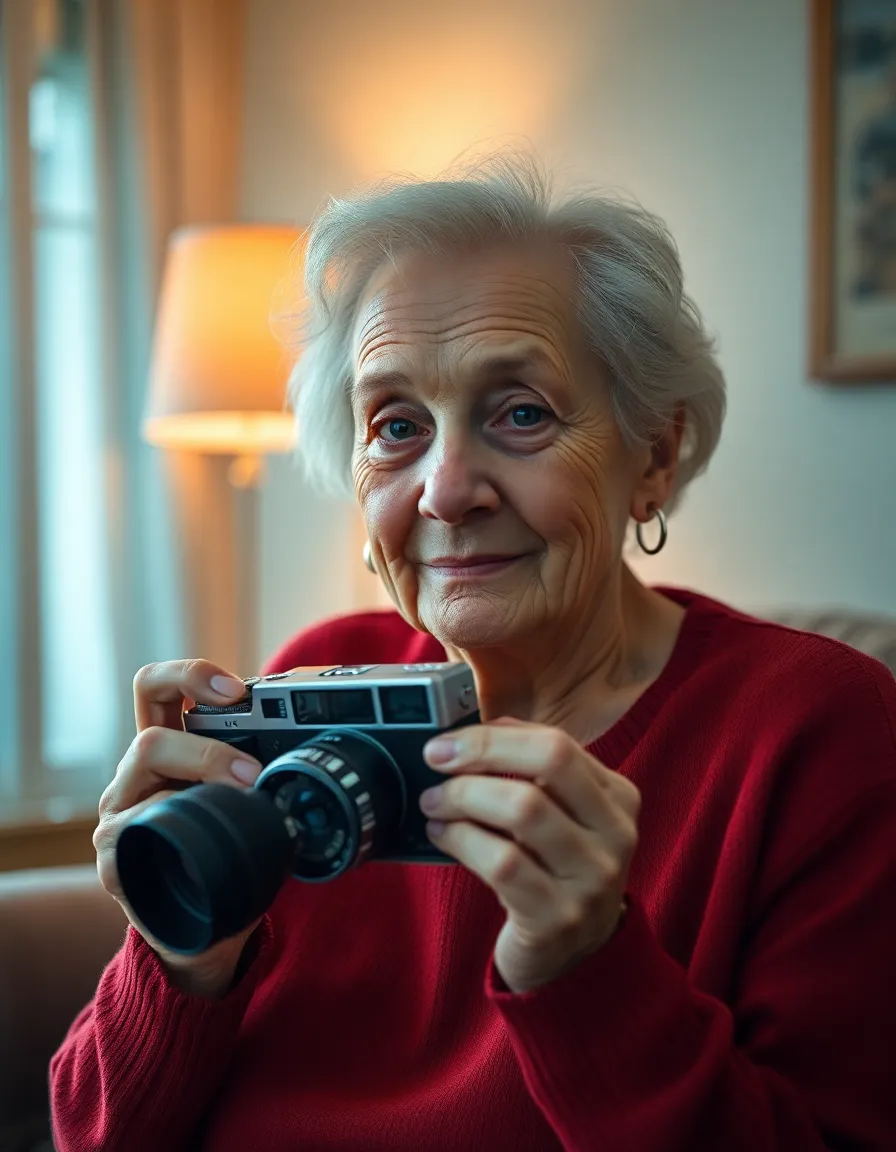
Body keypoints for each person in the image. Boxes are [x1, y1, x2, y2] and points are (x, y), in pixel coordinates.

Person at [50, 155, 896, 1152]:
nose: (446, 491)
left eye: (520, 413)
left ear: (653, 457)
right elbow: (93, 1136)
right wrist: (181, 944)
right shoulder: (319, 680)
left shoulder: (816, 731)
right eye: (395, 426)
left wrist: (587, 973)